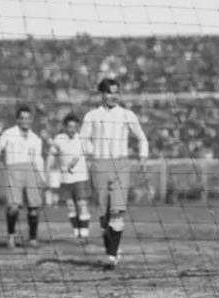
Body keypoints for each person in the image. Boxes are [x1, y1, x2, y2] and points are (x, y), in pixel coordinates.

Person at [80, 78, 149, 268]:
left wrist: (143, 157)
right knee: (104, 217)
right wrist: (87, 155)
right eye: (109, 92)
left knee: (117, 211)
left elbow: (142, 138)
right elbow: (83, 140)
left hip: (121, 165)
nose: (113, 96)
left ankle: (111, 257)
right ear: (102, 94)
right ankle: (112, 248)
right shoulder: (91, 116)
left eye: (116, 92)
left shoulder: (127, 115)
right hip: (99, 166)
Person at [0, 104, 47, 249]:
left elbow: (38, 159)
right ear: (17, 120)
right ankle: (11, 236)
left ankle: (32, 238)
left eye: (28, 118)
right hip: (13, 171)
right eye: (22, 118)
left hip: (31, 171)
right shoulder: (8, 133)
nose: (25, 121)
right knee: (13, 207)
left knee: (33, 207)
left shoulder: (35, 138)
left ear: (31, 120)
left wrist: (43, 177)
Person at [46, 112, 92, 243]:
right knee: (71, 207)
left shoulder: (83, 139)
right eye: (69, 126)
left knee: (82, 204)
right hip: (65, 180)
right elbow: (51, 155)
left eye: (75, 126)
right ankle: (77, 233)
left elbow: (91, 152)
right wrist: (47, 171)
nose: (72, 129)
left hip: (81, 178)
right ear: (65, 127)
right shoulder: (59, 139)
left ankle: (84, 235)